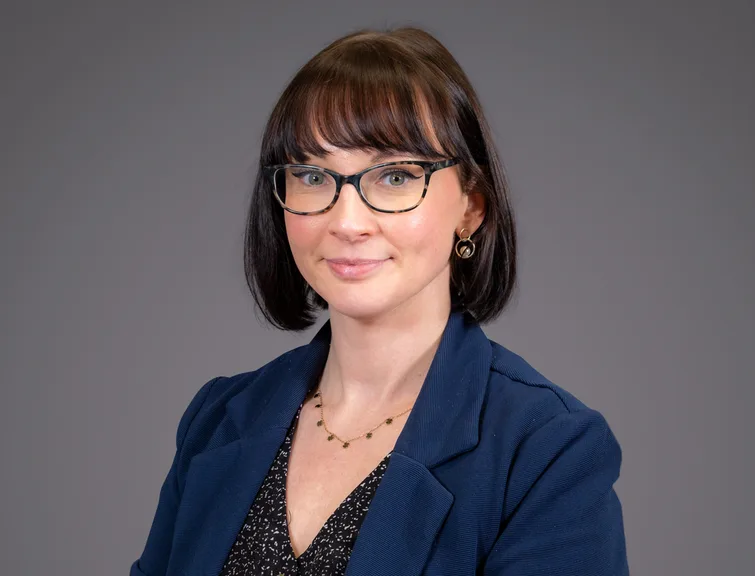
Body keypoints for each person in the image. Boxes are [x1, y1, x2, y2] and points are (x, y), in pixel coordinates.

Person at [130, 26, 629, 576]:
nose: (346, 221)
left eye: (395, 176)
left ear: (472, 207)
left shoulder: (547, 449)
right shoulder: (217, 418)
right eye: (314, 175)